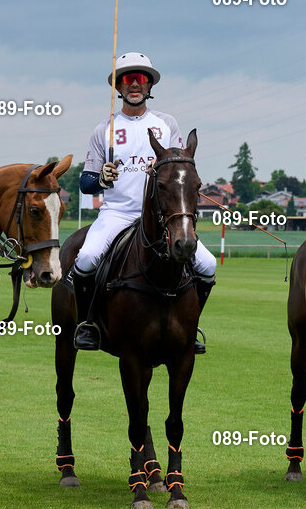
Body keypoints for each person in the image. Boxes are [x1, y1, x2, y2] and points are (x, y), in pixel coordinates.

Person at [67, 52, 216, 352]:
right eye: (128, 79)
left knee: (208, 265)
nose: (135, 84)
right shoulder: (104, 129)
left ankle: (190, 324)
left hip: (160, 219)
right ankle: (89, 325)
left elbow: (177, 166)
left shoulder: (166, 123)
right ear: (119, 88)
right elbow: (85, 184)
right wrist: (102, 179)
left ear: (149, 86)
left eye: (141, 79)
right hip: (117, 213)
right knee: (86, 259)